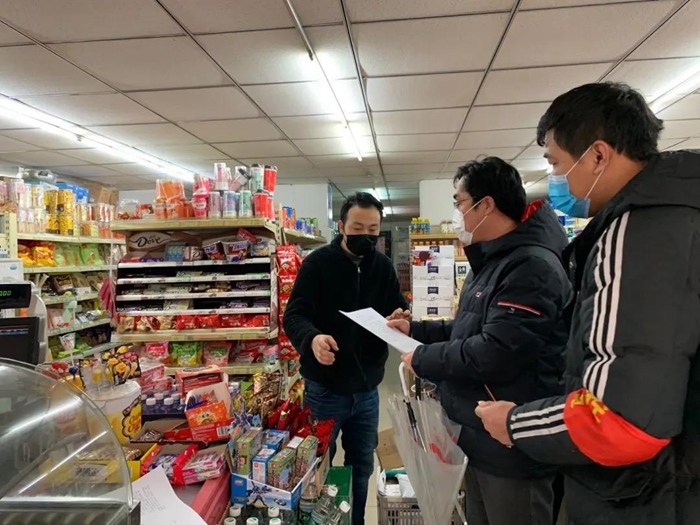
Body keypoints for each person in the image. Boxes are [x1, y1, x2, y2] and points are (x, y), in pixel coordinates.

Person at [475, 82, 700, 525]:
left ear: (597, 156)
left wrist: (515, 423)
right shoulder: (681, 213)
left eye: (556, 162)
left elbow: (619, 419)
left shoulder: (637, 230)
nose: (556, 178)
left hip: (645, 495)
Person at [390, 157, 572, 525]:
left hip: (512, 445)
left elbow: (496, 352)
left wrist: (424, 358)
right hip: (478, 435)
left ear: (485, 205)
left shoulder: (531, 267)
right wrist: (416, 331)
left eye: (459, 202)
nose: (457, 213)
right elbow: (467, 329)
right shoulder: (491, 261)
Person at [283, 191, 408, 525]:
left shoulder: (382, 266)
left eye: (373, 230)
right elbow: (294, 315)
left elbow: (397, 306)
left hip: (367, 390)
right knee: (317, 466)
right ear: (341, 226)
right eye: (357, 228)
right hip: (324, 389)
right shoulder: (317, 264)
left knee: (362, 467)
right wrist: (312, 339)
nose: (366, 236)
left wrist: (401, 314)